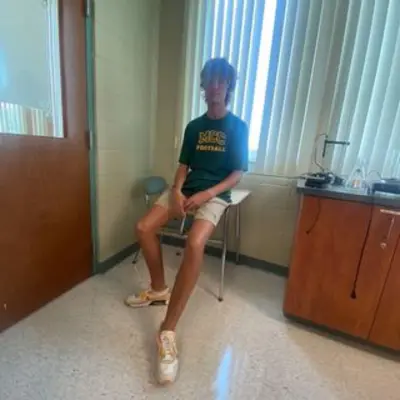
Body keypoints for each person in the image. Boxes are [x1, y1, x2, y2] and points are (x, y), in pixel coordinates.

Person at [125, 58, 249, 384]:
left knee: (194, 243)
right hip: (186, 189)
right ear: (203, 86)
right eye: (210, 80)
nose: (215, 87)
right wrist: (177, 190)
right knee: (143, 227)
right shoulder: (194, 127)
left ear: (229, 86)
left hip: (214, 195)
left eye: (221, 81)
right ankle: (158, 289)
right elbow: (183, 166)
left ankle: (167, 330)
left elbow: (237, 173)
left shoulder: (238, 127)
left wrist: (208, 193)